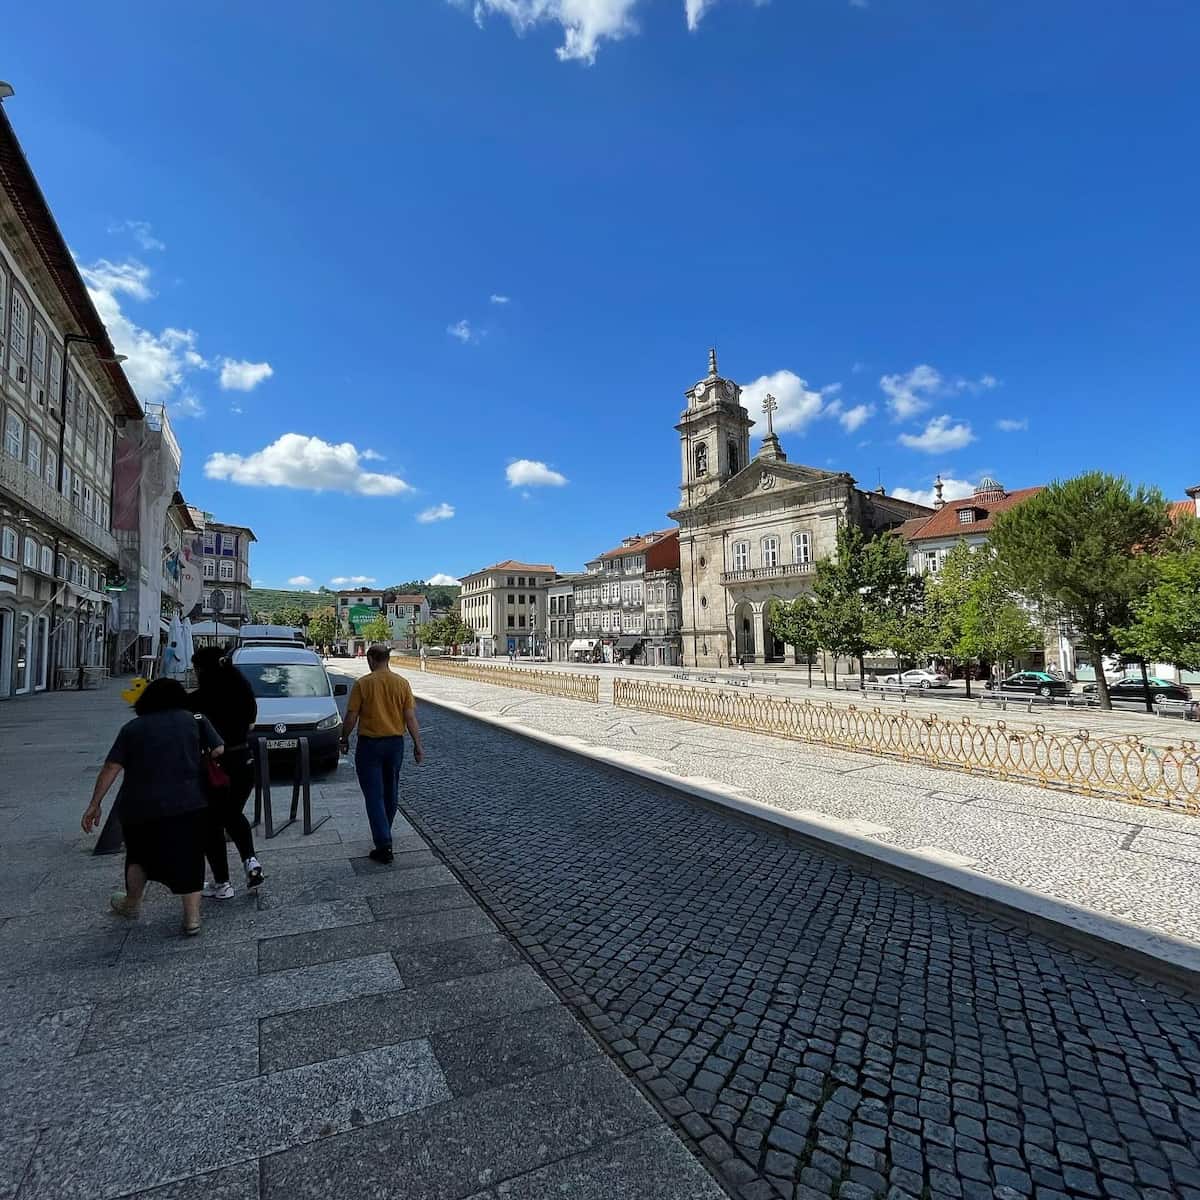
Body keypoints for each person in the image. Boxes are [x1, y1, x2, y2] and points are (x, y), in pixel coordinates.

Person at [81, 678, 222, 937]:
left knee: (138, 854)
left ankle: (132, 903)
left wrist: (95, 804)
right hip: (189, 802)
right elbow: (218, 750)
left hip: (140, 805)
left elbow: (112, 767)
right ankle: (192, 918)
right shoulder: (194, 720)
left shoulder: (133, 728)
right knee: (190, 856)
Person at [190, 646, 264, 895]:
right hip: (244, 759)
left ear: (202, 669)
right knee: (232, 814)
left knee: (212, 822)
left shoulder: (199, 699)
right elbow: (251, 725)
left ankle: (222, 883)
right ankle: (251, 861)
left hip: (216, 767)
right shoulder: (244, 693)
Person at [340, 643, 424, 864]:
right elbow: (410, 718)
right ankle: (384, 831)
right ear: (388, 659)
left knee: (373, 795)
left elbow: (351, 716)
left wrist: (344, 737)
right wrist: (417, 744)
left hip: (370, 746)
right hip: (395, 744)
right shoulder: (402, 683)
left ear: (370, 659)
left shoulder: (363, 684)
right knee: (390, 792)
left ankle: (384, 842)